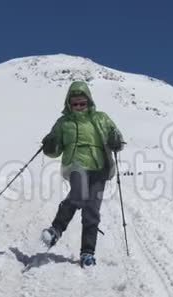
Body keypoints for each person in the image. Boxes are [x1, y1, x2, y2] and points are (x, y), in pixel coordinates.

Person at [40, 81, 124, 268]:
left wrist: (116, 140)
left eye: (82, 103)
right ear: (69, 104)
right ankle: (56, 229)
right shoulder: (63, 123)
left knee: (92, 210)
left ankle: (88, 252)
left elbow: (116, 137)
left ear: (89, 102)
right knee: (78, 195)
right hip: (75, 163)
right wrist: (50, 144)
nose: (78, 107)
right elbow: (55, 150)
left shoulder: (101, 118)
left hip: (99, 166)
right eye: (75, 104)